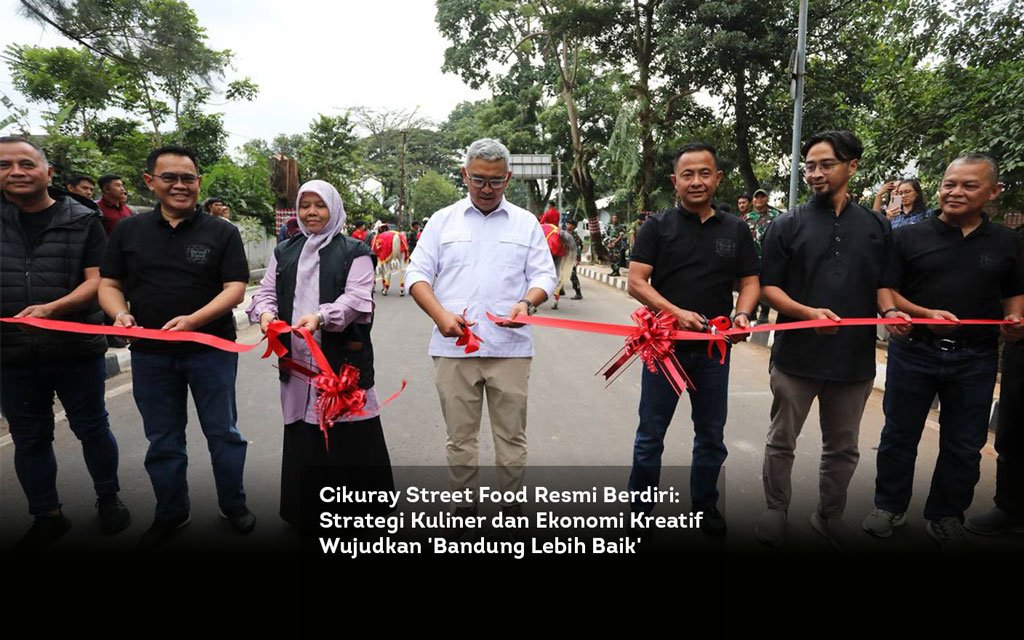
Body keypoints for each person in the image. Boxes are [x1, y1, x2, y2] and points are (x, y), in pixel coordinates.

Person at [863, 155, 1024, 549]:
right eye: (950, 183)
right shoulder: (908, 236)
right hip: (915, 350)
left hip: (977, 357)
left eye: (969, 185)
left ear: (993, 192)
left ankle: (946, 514)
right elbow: (887, 289)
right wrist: (905, 313)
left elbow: (1014, 296)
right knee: (899, 435)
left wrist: (1015, 322)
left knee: (965, 443)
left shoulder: (1007, 241)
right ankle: (889, 505)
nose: (955, 192)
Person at [98, 145, 254, 550]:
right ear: (150, 182)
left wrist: (195, 320)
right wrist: (119, 314)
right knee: (164, 439)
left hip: (211, 349)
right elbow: (109, 283)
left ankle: (233, 504)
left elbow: (235, 288)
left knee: (224, 433)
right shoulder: (128, 232)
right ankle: (171, 511)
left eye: (188, 178)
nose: (180, 186)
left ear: (199, 182)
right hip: (151, 355)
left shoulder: (222, 232)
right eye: (170, 177)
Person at [755, 130, 897, 550]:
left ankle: (829, 514)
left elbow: (884, 284)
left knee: (843, 447)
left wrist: (892, 313)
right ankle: (775, 509)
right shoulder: (787, 223)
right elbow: (769, 287)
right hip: (796, 358)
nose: (815, 174)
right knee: (782, 439)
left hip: (852, 361)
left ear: (852, 166)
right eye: (810, 166)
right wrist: (805, 314)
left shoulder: (875, 226)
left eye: (825, 165)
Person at [406, 138, 556, 522]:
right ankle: (464, 506)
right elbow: (417, 274)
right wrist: (440, 316)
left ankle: (511, 506)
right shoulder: (442, 222)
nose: (486, 189)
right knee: (460, 436)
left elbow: (544, 275)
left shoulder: (525, 223)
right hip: (454, 349)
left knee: (511, 436)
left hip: (511, 348)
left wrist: (527, 303)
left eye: (495, 181)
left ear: (507, 178)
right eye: (478, 180)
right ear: (464, 175)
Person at [0, 136, 130, 550]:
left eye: (26, 163)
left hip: (75, 348)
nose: (16, 172)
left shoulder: (82, 218)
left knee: (92, 427)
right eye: (5, 165)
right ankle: (47, 513)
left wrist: (53, 309)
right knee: (29, 436)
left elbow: (99, 281)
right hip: (11, 351)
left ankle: (108, 497)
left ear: (48, 172)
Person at [627, 143, 761, 537]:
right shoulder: (657, 227)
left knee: (710, 436)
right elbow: (636, 281)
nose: (697, 181)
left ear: (717, 178)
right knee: (650, 435)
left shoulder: (736, 228)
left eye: (705, 173)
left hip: (713, 352)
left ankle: (705, 506)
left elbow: (750, 281)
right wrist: (675, 313)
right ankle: (640, 511)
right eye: (688, 174)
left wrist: (742, 314)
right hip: (663, 350)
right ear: (675, 181)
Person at [248, 180, 394, 529]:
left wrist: (321, 317)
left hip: (341, 362)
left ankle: (360, 515)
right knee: (303, 432)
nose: (311, 212)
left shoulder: (354, 250)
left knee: (351, 434)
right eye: (305, 205)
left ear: (334, 208)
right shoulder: (285, 250)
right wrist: (266, 314)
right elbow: (266, 292)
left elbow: (357, 300)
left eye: (320, 205)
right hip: (297, 360)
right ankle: (307, 512)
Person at [968, 224, 1024, 536]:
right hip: (1020, 346)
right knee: (1013, 432)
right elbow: (1012, 289)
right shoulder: (1013, 240)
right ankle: (1011, 508)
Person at [565, 219, 583, 300]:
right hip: (563, 257)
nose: (569, 225)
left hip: (571, 258)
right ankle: (560, 290)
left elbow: (578, 248)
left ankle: (578, 293)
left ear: (574, 226)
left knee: (572, 275)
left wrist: (577, 259)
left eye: (571, 224)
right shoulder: (563, 234)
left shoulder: (575, 237)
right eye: (568, 223)